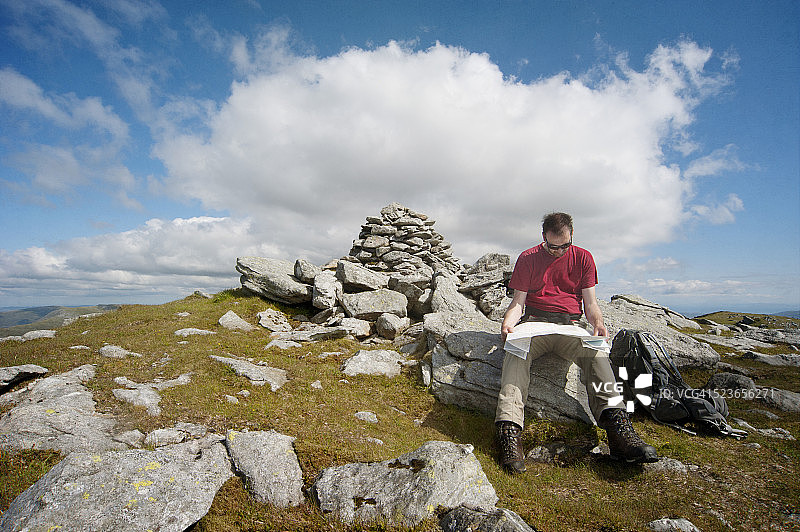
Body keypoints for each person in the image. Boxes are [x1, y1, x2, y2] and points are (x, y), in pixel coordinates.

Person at [495, 212, 657, 473]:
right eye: (552, 246)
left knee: (596, 355)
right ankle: (509, 433)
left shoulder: (583, 257)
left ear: (572, 236)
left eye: (564, 246)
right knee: (515, 353)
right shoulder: (527, 258)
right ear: (543, 238)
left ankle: (618, 432)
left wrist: (598, 324)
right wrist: (509, 325)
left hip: (571, 326)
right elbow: (518, 303)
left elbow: (591, 303)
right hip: (534, 323)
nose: (558, 251)